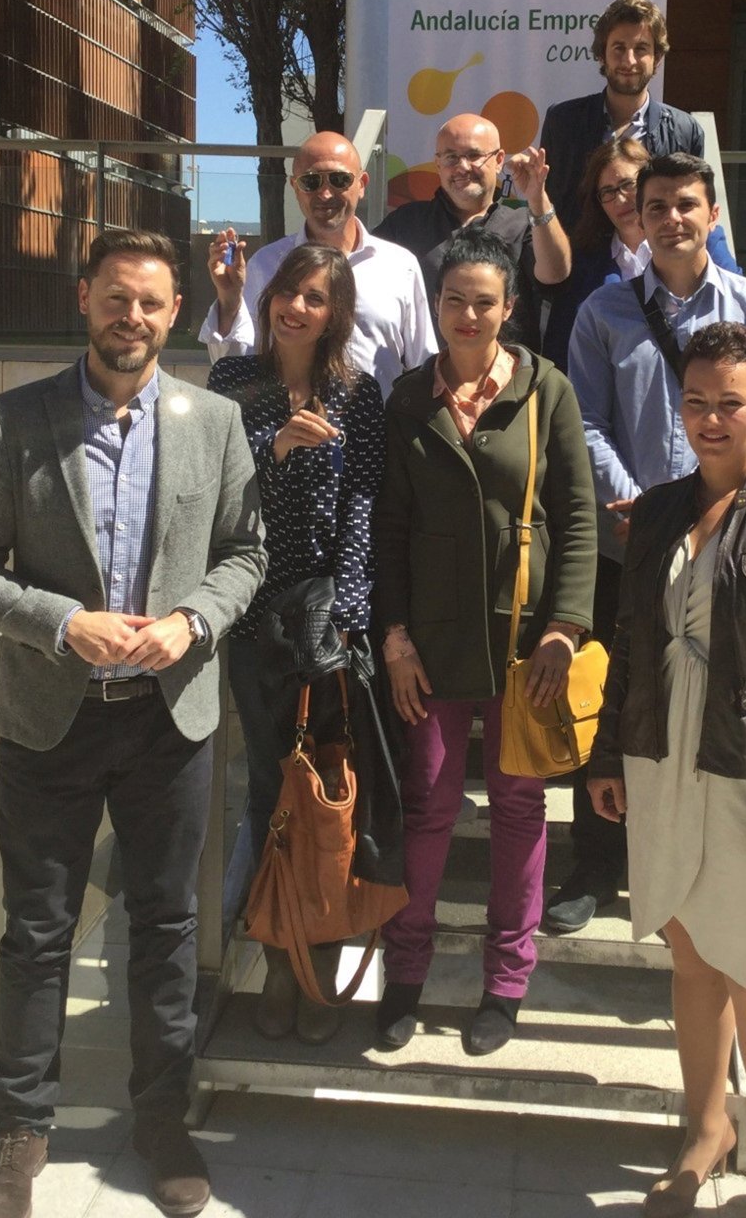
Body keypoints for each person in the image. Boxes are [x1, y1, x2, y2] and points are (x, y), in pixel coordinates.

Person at [0, 229, 267, 1218]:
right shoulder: (15, 419)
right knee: (37, 933)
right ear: (84, 298)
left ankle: (162, 1120)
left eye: (152, 302)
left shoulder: (215, 421)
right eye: (116, 297)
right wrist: (61, 622)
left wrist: (191, 620)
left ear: (176, 314)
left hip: (170, 722)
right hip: (52, 717)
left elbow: (246, 554)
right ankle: (19, 1134)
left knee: (166, 928)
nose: (133, 317)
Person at [588, 323, 746, 1218]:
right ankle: (706, 1130)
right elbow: (629, 642)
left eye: (729, 402)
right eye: (695, 401)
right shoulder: (658, 511)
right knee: (693, 962)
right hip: (662, 763)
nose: (710, 418)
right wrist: (607, 755)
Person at [546, 151, 746, 934]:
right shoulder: (602, 312)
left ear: (713, 215)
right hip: (625, 544)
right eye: (656, 206)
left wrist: (695, 511)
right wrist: (650, 512)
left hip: (723, 547)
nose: (671, 218)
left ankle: (697, 863)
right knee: (608, 698)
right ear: (637, 219)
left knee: (709, 697)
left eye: (686, 204)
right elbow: (584, 422)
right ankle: (595, 863)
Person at [372, 228, 597, 1057]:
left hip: (523, 647)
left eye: (484, 302)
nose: (468, 315)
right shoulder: (408, 399)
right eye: (454, 300)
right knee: (428, 805)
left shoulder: (546, 391)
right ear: (436, 305)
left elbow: (577, 517)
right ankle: (406, 971)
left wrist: (565, 628)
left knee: (517, 808)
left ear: (509, 309)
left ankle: (505, 984)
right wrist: (394, 639)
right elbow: (388, 531)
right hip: (430, 648)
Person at [207, 242, 385, 1044]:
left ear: (335, 312)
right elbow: (216, 499)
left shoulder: (358, 393)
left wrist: (346, 612)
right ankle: (280, 962)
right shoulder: (232, 384)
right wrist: (275, 451)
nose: (297, 307)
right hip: (252, 617)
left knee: (331, 792)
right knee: (268, 795)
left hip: (326, 622)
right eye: (288, 291)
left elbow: (363, 505)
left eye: (315, 297)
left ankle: (323, 955)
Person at [200, 130, 436, 398]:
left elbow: (423, 365)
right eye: (311, 181)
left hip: (379, 422)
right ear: (295, 188)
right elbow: (236, 364)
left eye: (339, 179)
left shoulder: (400, 266)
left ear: (362, 184)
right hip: (285, 422)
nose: (324, 194)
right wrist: (229, 299)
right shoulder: (266, 264)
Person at [537, 0, 738, 268]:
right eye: (618, 48)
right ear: (602, 55)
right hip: (579, 272)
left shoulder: (684, 130)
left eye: (641, 48)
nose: (629, 60)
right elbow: (554, 205)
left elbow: (694, 207)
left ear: (657, 58)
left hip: (659, 271)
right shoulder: (563, 121)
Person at [374, 111, 571, 349]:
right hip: (425, 371)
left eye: (474, 155)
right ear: (438, 164)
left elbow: (555, 274)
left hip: (508, 370)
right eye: (451, 157)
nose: (462, 167)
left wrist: (538, 201)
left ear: (499, 160)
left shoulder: (525, 223)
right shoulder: (405, 224)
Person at [542, 136, 651, 373]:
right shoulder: (582, 264)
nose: (620, 199)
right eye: (608, 192)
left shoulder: (686, 245)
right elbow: (560, 349)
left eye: (627, 184)